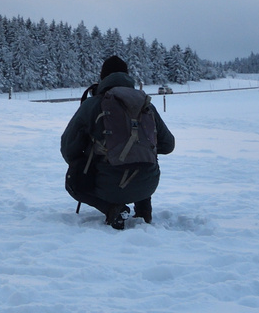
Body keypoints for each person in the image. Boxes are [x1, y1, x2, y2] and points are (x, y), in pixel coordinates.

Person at [61, 55, 175, 229]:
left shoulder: (93, 105)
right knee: (139, 160)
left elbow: (68, 148)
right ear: (127, 76)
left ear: (103, 78)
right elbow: (168, 145)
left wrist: (89, 158)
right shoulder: (146, 105)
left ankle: (112, 209)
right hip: (149, 183)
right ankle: (143, 205)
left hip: (111, 186)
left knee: (72, 182)